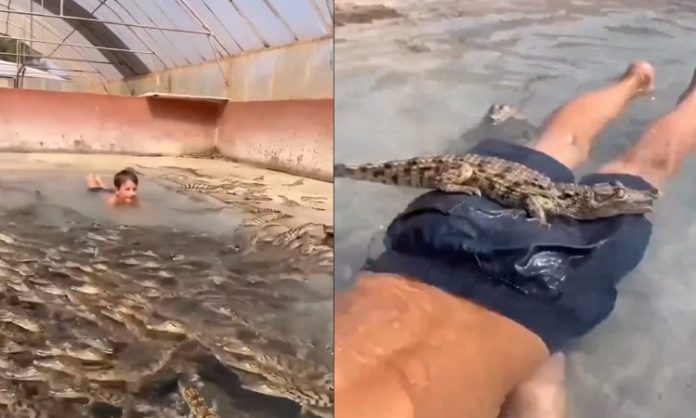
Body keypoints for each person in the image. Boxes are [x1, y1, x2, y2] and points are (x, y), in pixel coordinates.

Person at [335, 60, 695, 418]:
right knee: (559, 142)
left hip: (540, 284)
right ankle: (633, 80)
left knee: (646, 166)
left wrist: (531, 351)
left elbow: (539, 389)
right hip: (436, 239)